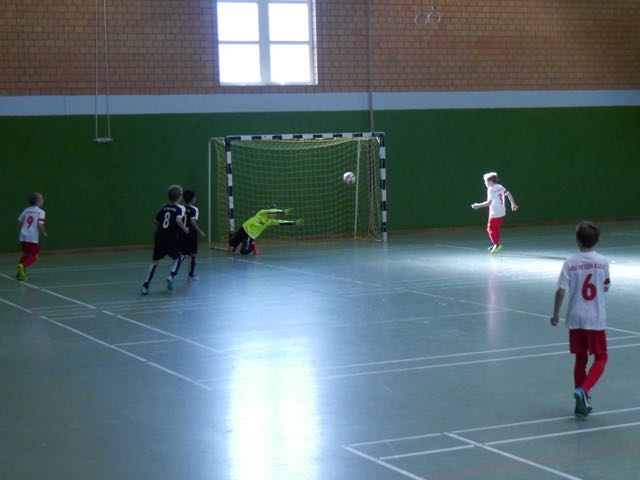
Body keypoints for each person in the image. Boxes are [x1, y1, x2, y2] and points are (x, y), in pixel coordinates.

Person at [550, 221, 611, 417]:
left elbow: (560, 291)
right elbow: (606, 287)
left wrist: (556, 313)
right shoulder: (603, 262)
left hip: (575, 318)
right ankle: (583, 390)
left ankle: (579, 405)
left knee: (580, 358)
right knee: (601, 357)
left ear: (577, 240)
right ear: (598, 241)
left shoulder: (570, 262)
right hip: (595, 318)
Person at [141, 185, 190, 295]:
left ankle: (145, 286)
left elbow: (156, 221)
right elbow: (178, 220)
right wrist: (185, 229)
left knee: (155, 262)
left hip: (159, 236)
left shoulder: (164, 207)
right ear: (180, 197)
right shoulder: (180, 208)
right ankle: (171, 276)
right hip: (170, 237)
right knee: (180, 256)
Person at [471, 171, 518, 254]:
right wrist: (513, 203)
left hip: (495, 213)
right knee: (496, 228)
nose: (485, 183)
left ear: (490, 181)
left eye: (485, 181)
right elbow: (508, 194)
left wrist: (478, 205)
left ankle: (496, 244)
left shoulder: (491, 189)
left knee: (490, 228)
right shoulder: (500, 186)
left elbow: (489, 202)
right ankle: (495, 244)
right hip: (502, 212)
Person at [229, 205, 302, 255]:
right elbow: (273, 210)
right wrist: (282, 211)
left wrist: (294, 222)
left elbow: (282, 222)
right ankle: (237, 243)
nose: (274, 214)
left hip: (250, 235)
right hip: (244, 228)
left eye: (275, 214)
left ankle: (252, 245)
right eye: (273, 212)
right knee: (231, 243)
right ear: (269, 211)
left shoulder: (271, 221)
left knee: (244, 252)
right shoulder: (262, 212)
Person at [16, 192, 47, 281]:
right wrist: (44, 232)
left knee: (25, 254)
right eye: (42, 199)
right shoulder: (41, 212)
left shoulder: (26, 210)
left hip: (23, 235)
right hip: (32, 237)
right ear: (38, 201)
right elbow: (40, 224)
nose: (43, 200)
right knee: (35, 255)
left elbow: (19, 221)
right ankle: (23, 266)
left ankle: (20, 273)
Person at [180, 189, 206, 281]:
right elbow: (192, 221)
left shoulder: (181, 208)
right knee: (192, 254)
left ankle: (173, 273)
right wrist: (200, 231)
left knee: (182, 254)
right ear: (192, 199)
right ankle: (191, 274)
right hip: (191, 234)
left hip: (182, 233)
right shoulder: (194, 209)